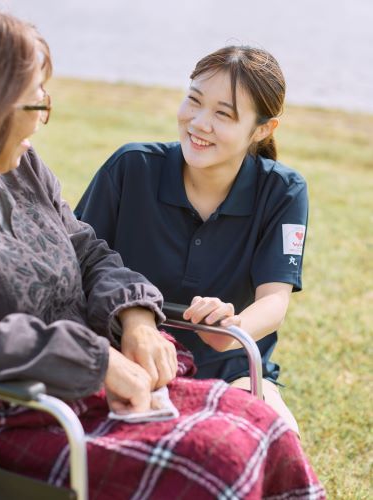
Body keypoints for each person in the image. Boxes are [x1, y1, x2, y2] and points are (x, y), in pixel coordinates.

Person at [0, 6, 323, 498]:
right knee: (216, 462)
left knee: (264, 426)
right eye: (33, 104)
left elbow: (89, 251)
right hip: (5, 410)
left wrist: (136, 318)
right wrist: (95, 359)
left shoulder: (20, 168)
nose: (42, 120)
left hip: (95, 387)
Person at [75, 46, 307, 434]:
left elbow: (275, 300)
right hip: (131, 359)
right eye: (194, 101)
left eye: (224, 114)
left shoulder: (283, 191)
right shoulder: (130, 167)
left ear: (264, 129)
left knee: (279, 440)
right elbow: (77, 268)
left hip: (232, 371)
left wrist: (232, 326)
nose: (199, 123)